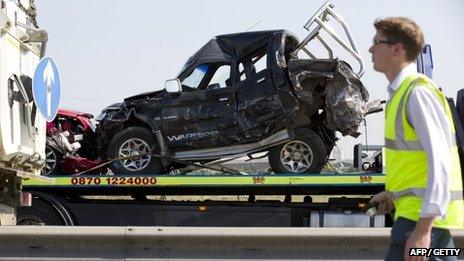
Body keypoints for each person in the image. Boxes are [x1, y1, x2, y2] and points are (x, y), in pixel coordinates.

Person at [368, 17, 464, 261]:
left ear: (397, 49)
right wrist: (393, 195)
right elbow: (416, 165)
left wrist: (423, 231)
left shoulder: (417, 94)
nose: (371, 49)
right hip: (418, 221)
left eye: (377, 42)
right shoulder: (400, 95)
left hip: (422, 225)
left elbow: (440, 162)